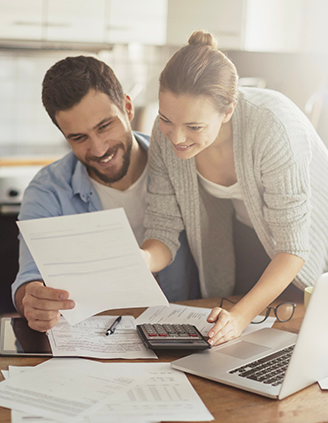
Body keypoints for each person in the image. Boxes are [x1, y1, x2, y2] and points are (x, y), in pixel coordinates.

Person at [141, 30, 328, 346]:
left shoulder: (273, 125)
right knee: (242, 336)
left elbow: (293, 248)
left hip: (311, 235)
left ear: (228, 111)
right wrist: (142, 260)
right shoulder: (166, 136)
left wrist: (241, 317)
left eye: (194, 127)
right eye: (166, 120)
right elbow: (162, 228)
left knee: (307, 332)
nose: (176, 138)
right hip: (249, 227)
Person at [12, 56, 198, 332]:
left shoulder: (181, 164)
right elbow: (29, 278)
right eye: (78, 137)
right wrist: (33, 299)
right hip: (95, 337)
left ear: (128, 107)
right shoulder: (48, 189)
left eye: (104, 126)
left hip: (183, 330)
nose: (98, 149)